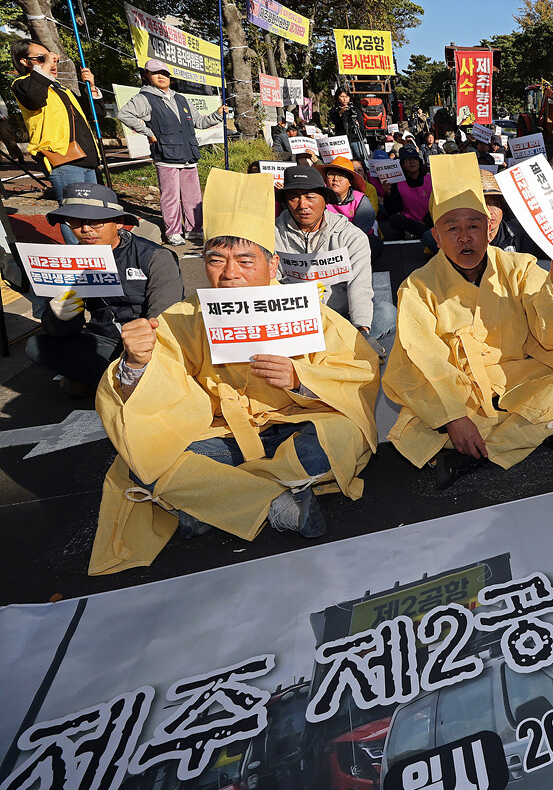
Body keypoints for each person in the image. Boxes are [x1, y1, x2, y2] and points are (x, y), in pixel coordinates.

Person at [90, 169, 380, 575]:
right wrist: (136, 364)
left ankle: (212, 499)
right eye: (216, 260)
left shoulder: (307, 310)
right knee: (141, 456)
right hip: (219, 432)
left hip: (295, 424)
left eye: (246, 260)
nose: (230, 274)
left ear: (273, 263)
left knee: (346, 436)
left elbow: (358, 372)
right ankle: (276, 502)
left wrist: (302, 380)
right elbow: (153, 396)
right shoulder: (182, 317)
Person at [382, 153, 553, 489]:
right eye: (452, 228)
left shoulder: (519, 266)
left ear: (490, 229)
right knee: (424, 422)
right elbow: (419, 359)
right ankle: (539, 429)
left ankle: (473, 454)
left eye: (473, 226)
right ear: (436, 237)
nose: (464, 237)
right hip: (459, 390)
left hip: (515, 376)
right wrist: (453, 416)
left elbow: (552, 328)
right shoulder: (418, 286)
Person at [26, 183, 183, 396]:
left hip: (146, 342)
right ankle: (118, 385)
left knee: (166, 347)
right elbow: (63, 332)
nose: (85, 229)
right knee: (36, 345)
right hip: (104, 340)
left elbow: (164, 319)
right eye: (75, 222)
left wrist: (139, 348)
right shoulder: (69, 261)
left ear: (119, 223)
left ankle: (108, 384)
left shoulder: (155, 257)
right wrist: (59, 318)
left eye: (96, 222)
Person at [274, 166, 396, 344]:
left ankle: (345, 346)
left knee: (386, 311)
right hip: (296, 322)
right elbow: (271, 284)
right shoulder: (272, 234)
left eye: (310, 197)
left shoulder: (352, 236)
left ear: (325, 200)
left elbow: (360, 287)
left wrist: (362, 331)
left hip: (341, 318)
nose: (302, 205)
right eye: (294, 197)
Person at [118, 60, 229, 246]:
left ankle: (194, 230)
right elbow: (124, 114)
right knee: (170, 197)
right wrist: (149, 133)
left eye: (165, 73)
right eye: (156, 73)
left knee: (193, 197)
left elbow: (199, 122)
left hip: (188, 156)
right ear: (147, 76)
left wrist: (217, 114)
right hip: (166, 156)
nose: (161, 77)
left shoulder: (181, 98)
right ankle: (174, 232)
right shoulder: (144, 98)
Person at [10, 39, 103, 247]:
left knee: (93, 210)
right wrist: (43, 68)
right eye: (41, 58)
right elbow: (34, 97)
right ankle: (79, 259)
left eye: (52, 58)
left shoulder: (61, 89)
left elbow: (96, 115)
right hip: (62, 158)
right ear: (25, 61)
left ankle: (96, 256)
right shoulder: (22, 84)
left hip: (86, 156)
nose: (51, 62)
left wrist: (93, 88)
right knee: (73, 211)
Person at [321, 156, 382, 262]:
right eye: (331, 174)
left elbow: (360, 230)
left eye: (341, 176)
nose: (335, 179)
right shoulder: (319, 198)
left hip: (354, 242)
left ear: (350, 182)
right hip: (327, 243)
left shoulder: (361, 200)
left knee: (375, 243)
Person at [383, 146, 433, 242]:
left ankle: (421, 232)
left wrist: (425, 221)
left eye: (414, 159)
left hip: (430, 218)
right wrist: (388, 194)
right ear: (401, 164)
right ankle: (428, 233)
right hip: (410, 220)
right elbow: (393, 210)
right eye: (407, 160)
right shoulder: (396, 183)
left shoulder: (430, 179)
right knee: (394, 219)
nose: (412, 162)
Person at [329, 88, 369, 162]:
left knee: (363, 159)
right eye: (342, 96)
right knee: (345, 161)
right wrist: (340, 112)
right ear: (337, 97)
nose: (344, 99)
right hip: (342, 140)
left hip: (355, 139)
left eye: (346, 97)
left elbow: (362, 125)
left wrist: (357, 125)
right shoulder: (334, 110)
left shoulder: (355, 110)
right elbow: (335, 121)